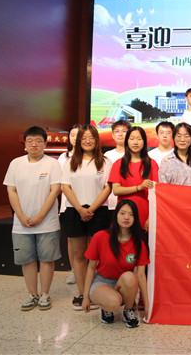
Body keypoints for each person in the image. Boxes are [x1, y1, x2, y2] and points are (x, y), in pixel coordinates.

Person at [3, 126, 62, 311]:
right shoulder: (15, 163)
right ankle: (32, 294)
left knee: (47, 259)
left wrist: (40, 215)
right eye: (30, 141)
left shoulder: (52, 164)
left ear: (45, 143)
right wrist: (20, 215)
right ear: (25, 144)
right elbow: (11, 190)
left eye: (38, 141)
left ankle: (45, 294)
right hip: (21, 223)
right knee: (26, 259)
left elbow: (55, 190)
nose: (34, 144)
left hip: (47, 222)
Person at [61, 125, 112, 310]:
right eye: (84, 138)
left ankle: (94, 291)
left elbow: (107, 188)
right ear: (79, 141)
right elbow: (65, 187)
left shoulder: (105, 162)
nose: (88, 141)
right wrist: (80, 209)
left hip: (99, 211)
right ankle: (82, 292)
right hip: (74, 211)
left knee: (95, 255)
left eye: (91, 137)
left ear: (97, 140)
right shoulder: (70, 162)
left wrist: (91, 208)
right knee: (78, 255)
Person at [82, 199, 149, 328]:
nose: (126, 217)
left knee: (130, 276)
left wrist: (147, 304)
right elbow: (90, 268)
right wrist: (85, 297)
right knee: (113, 302)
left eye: (131, 214)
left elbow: (141, 275)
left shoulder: (139, 243)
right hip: (102, 282)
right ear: (116, 215)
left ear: (135, 218)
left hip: (123, 283)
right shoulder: (100, 237)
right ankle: (106, 307)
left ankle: (128, 310)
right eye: (122, 213)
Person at [109, 126, 159, 231]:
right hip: (124, 213)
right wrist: (139, 187)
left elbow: (156, 194)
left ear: (144, 142)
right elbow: (116, 190)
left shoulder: (152, 164)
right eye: (132, 139)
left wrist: (151, 218)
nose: (135, 142)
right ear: (127, 141)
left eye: (139, 139)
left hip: (145, 213)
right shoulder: (118, 164)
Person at [58, 124, 80, 285]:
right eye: (72, 135)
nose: (75, 138)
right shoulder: (63, 157)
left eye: (79, 135)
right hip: (68, 204)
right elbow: (60, 183)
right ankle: (74, 270)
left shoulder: (94, 157)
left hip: (89, 204)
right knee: (72, 240)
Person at [158, 123, 191, 187]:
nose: (182, 140)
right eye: (179, 136)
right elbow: (163, 187)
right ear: (173, 138)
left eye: (186, 136)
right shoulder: (167, 161)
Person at [104, 120, 131, 213]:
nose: (120, 134)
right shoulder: (107, 155)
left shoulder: (134, 155)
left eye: (124, 131)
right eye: (117, 131)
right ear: (112, 135)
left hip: (129, 202)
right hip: (110, 202)